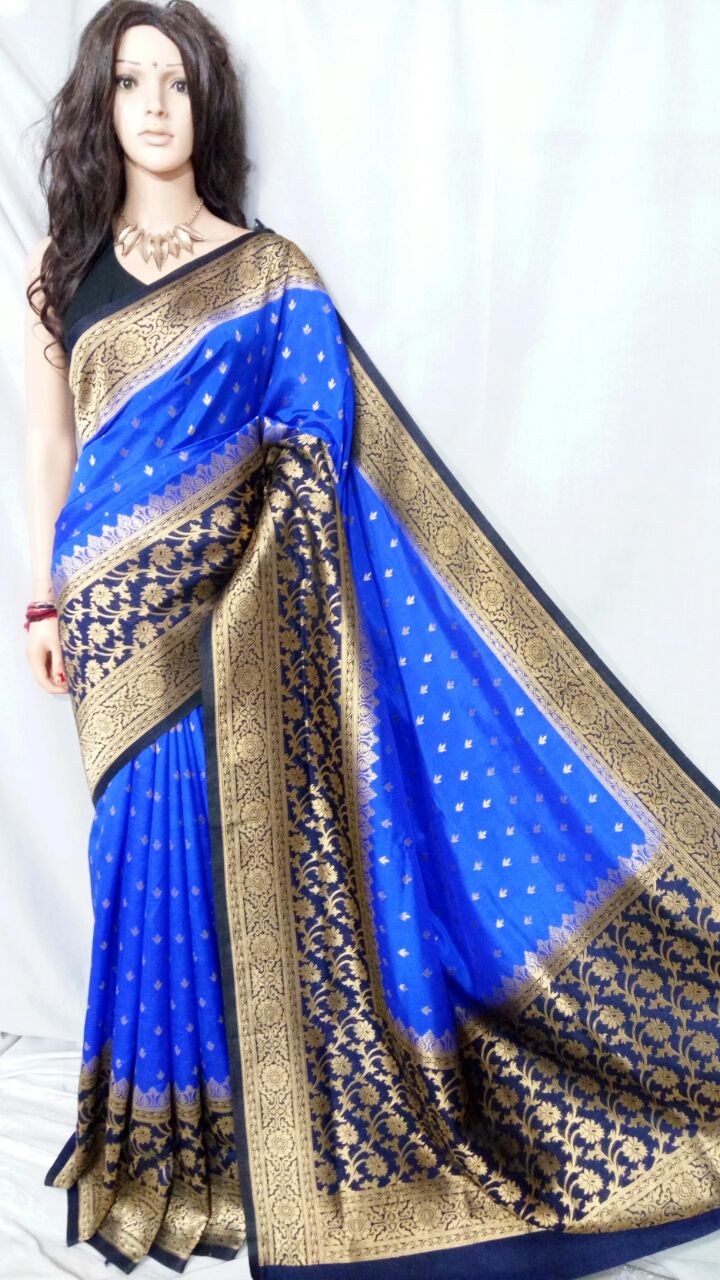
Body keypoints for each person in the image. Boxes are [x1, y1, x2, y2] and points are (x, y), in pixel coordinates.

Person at [24, 3, 720, 1278]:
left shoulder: (270, 270)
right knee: (135, 860)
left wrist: (244, 570)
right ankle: (168, 1138)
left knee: (220, 852)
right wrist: (49, 600)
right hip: (111, 623)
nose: (156, 106)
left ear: (205, 102)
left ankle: (257, 1133)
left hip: (231, 614)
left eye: (176, 82)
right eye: (130, 82)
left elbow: (313, 440)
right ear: (102, 105)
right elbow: (56, 449)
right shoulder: (59, 279)